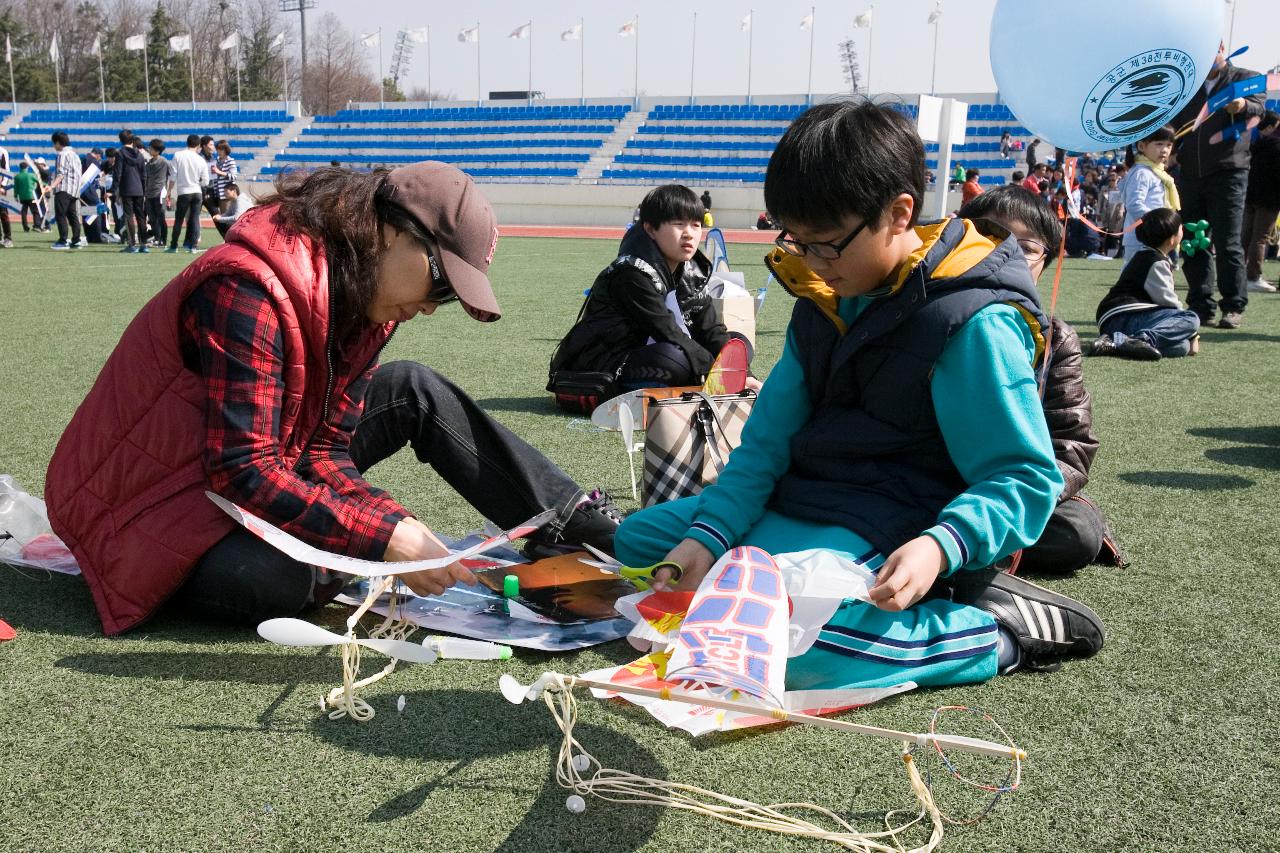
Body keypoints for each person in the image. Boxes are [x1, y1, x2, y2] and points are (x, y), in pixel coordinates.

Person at [616, 102, 1104, 690]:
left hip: (893, 524)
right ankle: (752, 575)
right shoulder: (821, 298)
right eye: (796, 241)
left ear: (899, 214)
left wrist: (939, 546)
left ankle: (993, 631)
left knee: (794, 647)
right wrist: (706, 538)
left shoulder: (973, 323)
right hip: (802, 504)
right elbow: (765, 446)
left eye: (826, 244)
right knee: (638, 544)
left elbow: (1023, 479)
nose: (809, 262)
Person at [45, 162, 623, 636]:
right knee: (277, 581)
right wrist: (381, 538)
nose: (431, 306)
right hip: (148, 504)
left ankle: (584, 528)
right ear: (391, 233)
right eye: (440, 283)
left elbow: (322, 452)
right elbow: (241, 469)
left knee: (412, 387)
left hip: (244, 467)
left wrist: (388, 523)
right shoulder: (247, 288)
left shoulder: (366, 296)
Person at [959, 185, 1127, 574]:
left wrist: (1013, 499)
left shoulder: (1055, 338)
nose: (1004, 253)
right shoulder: (933, 315)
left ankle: (971, 543)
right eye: (989, 236)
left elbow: (1071, 444)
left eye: (1026, 247)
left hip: (1009, 492)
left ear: (1045, 262)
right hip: (925, 478)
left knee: (1077, 532)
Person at [547, 184, 755, 408]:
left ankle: (710, 386)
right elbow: (667, 332)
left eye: (696, 225)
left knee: (738, 344)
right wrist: (724, 371)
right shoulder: (631, 273)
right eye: (678, 224)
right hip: (604, 360)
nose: (689, 233)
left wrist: (742, 371)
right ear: (650, 229)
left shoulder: (692, 271)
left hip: (656, 349)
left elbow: (711, 329)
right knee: (673, 359)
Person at [1170, 41, 1267, 329]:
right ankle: (1200, 305)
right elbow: (1173, 121)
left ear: (1222, 46)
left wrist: (1243, 105)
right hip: (1189, 173)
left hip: (1229, 171)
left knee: (1228, 241)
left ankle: (1233, 305)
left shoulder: (1245, 77)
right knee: (1193, 241)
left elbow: (1259, 107)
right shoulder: (1188, 83)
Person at [1092, 207, 1200, 360]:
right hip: (1125, 316)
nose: (1183, 230)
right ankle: (1141, 340)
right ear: (1171, 239)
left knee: (1181, 347)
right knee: (1191, 318)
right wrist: (1193, 333)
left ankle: (1115, 344)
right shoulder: (1155, 262)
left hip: (1113, 323)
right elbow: (1170, 304)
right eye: (1180, 228)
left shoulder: (1144, 255)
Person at [1118, 125, 1177, 263]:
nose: (1164, 150)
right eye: (1159, 144)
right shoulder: (1142, 172)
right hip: (1142, 238)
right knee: (1136, 277)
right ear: (1142, 146)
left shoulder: (1157, 172)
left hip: (1153, 237)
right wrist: (1157, 223)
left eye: (1168, 145)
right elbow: (1134, 204)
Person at [1243, 111, 1280, 293]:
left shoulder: (1256, 143)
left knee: (1246, 236)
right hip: (1269, 199)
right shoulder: (1276, 145)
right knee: (1260, 238)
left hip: (1250, 196)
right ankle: (1253, 277)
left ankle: (1237, 273)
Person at [169, 134, 207, 254]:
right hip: (197, 191)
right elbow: (205, 181)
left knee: (179, 219)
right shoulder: (201, 159)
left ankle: (174, 245)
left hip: (183, 192)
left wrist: (169, 190)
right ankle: (193, 246)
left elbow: (173, 176)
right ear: (199, 145)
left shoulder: (178, 155)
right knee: (195, 218)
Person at [113, 130, 148, 253]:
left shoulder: (120, 153)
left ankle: (132, 244)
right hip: (139, 189)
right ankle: (144, 244)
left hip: (126, 188)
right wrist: (144, 190)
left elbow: (118, 173)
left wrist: (115, 190)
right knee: (141, 216)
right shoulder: (139, 154)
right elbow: (144, 175)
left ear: (120, 140)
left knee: (129, 217)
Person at [48, 131, 82, 250]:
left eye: (54, 143)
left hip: (64, 189)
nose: (54, 146)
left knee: (60, 215)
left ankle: (63, 241)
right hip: (74, 190)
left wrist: (51, 186)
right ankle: (76, 240)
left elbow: (61, 174)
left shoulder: (62, 154)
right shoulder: (75, 155)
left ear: (58, 142)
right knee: (73, 216)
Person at [144, 138, 174, 247]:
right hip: (149, 194)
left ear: (157, 150)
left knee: (161, 217)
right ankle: (157, 238)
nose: (149, 150)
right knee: (152, 218)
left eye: (151, 148)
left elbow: (173, 175)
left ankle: (163, 240)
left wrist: (169, 191)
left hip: (160, 193)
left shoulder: (164, 162)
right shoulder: (149, 163)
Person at [13, 159, 42, 234]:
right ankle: (36, 226)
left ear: (20, 167)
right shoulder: (31, 175)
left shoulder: (17, 177)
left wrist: (15, 196)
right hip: (32, 196)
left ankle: (25, 227)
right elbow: (40, 182)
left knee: (24, 212)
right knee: (35, 211)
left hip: (22, 197)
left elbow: (16, 188)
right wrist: (46, 185)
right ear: (27, 167)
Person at [210, 140, 238, 214]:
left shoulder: (230, 161)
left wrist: (219, 172)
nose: (218, 151)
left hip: (228, 196)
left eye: (221, 149)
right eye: (217, 149)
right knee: (223, 218)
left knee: (228, 219)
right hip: (218, 194)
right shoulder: (216, 161)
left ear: (226, 149)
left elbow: (234, 177)